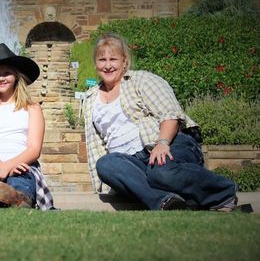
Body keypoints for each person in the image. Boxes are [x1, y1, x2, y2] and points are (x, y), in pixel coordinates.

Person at [83, 33, 237, 211]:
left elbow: (170, 114)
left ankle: (224, 192)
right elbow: (99, 144)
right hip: (129, 162)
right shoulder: (91, 97)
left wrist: (162, 143)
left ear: (124, 61)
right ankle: (167, 201)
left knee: (161, 173)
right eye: (102, 59)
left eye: (113, 59)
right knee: (105, 164)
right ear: (96, 64)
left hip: (168, 143)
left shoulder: (141, 80)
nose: (108, 65)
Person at [0, 43, 55, 210]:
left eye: (6, 73)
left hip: (21, 165)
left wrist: (9, 167)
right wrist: (0, 168)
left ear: (16, 75)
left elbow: (34, 149)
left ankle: (13, 198)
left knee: (19, 184)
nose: (1, 78)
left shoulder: (32, 108)